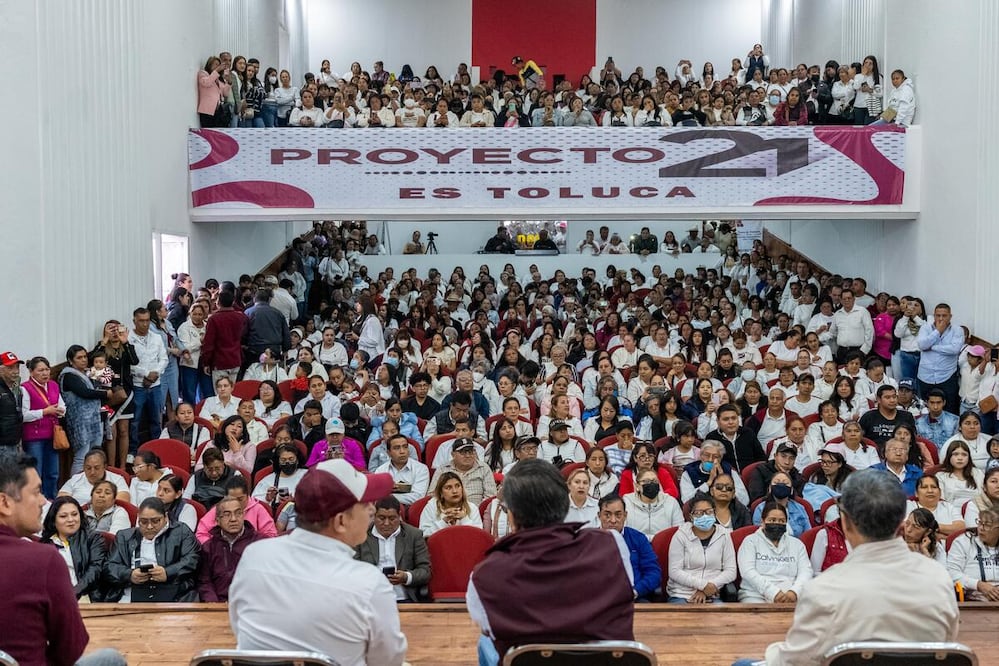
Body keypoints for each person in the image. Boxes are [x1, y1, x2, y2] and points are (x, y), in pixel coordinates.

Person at [738, 469, 959, 664]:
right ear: (901, 522)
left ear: (846, 522)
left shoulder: (826, 588)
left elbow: (795, 660)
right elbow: (945, 645)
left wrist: (771, 654)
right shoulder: (938, 578)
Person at [229, 459, 408, 664]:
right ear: (341, 521)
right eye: (365, 503)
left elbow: (240, 629)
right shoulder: (369, 584)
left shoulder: (254, 556)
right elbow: (387, 661)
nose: (372, 510)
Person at [468, 460, 635, 666]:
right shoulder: (613, 545)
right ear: (565, 506)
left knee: (485, 642)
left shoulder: (484, 577)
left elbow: (487, 626)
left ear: (511, 515)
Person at [0, 455, 126, 665]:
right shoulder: (43, 559)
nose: (43, 501)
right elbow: (70, 651)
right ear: (5, 502)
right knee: (110, 659)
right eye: (37, 492)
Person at [104, 497, 200, 602]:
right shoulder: (124, 536)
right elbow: (110, 567)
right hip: (133, 590)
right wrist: (129, 575)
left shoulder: (181, 531)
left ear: (166, 517)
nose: (149, 526)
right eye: (143, 522)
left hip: (172, 590)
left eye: (155, 521)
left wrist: (168, 572)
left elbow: (193, 559)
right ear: (138, 519)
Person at [355, 496, 433, 602]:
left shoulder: (413, 535)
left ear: (399, 516)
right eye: (381, 518)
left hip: (404, 598)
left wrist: (406, 577)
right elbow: (352, 569)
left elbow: (425, 571)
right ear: (374, 516)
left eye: (392, 519)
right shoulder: (361, 535)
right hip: (369, 598)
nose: (386, 523)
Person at [737, 501, 813, 603]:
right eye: (772, 520)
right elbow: (747, 572)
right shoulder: (750, 541)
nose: (777, 523)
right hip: (755, 595)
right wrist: (773, 592)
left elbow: (806, 572)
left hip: (790, 596)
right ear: (762, 522)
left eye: (781, 521)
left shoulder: (797, 544)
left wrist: (794, 592)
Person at [667, 494, 737, 603]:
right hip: (682, 594)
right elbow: (674, 571)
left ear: (714, 512)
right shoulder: (680, 536)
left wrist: (709, 587)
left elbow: (731, 571)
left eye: (709, 512)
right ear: (691, 516)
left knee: (721, 619)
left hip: (712, 594)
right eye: (699, 513)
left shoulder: (724, 535)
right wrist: (703, 586)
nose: (704, 516)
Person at [41, 496, 107, 601]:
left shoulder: (93, 538)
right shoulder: (45, 544)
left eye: (74, 514)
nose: (71, 520)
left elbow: (95, 569)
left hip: (84, 594)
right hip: (53, 597)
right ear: (53, 520)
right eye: (63, 516)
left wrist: (74, 592)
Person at [196, 495, 262, 602]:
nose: (233, 519)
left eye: (238, 513)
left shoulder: (260, 543)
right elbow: (205, 582)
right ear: (217, 520)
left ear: (244, 515)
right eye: (227, 515)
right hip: (218, 606)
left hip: (252, 605)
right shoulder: (209, 547)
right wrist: (214, 604)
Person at [597, 494, 661, 602]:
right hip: (599, 598)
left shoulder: (638, 539)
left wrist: (635, 591)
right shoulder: (588, 540)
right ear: (599, 515)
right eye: (607, 515)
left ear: (625, 515)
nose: (613, 520)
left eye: (618, 515)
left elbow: (654, 573)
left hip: (634, 598)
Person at [60, 345, 112, 475]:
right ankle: (76, 486)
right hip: (80, 423)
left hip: (94, 419)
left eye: (85, 357)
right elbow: (84, 392)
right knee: (81, 457)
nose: (84, 360)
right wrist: (105, 394)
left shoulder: (89, 373)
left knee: (95, 455)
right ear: (71, 361)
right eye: (79, 358)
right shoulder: (68, 375)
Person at [20, 356, 67, 498]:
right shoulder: (25, 388)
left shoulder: (53, 385)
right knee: (36, 472)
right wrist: (45, 412)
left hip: (53, 435)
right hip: (34, 438)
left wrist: (60, 411)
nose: (45, 373)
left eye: (47, 369)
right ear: (31, 372)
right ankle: (36, 502)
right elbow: (23, 414)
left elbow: (62, 405)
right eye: (40, 370)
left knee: (53, 472)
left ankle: (51, 500)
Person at [195, 475, 277, 544]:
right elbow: (201, 534)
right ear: (225, 497)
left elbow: (271, 536)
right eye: (232, 499)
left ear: (248, 495)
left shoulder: (258, 509)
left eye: (240, 499)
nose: (236, 502)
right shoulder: (218, 509)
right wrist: (216, 547)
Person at [917, 303, 964, 415]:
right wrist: (938, 331)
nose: (941, 318)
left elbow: (955, 349)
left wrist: (932, 347)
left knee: (950, 409)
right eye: (938, 315)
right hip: (925, 376)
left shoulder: (957, 330)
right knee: (925, 409)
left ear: (950, 316)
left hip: (947, 376)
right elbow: (922, 345)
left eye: (944, 315)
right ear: (934, 316)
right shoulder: (926, 328)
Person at [948, 507, 999, 601]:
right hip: (973, 601)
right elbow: (951, 573)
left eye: (987, 525)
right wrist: (978, 585)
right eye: (980, 522)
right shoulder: (963, 542)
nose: (981, 528)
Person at [419, 471, 483, 536]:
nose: (455, 491)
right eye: (448, 488)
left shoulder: (472, 508)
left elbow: (478, 536)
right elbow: (424, 534)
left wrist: (464, 519)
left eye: (457, 486)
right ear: (441, 492)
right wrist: (444, 522)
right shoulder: (432, 506)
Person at [58, 449, 130, 504]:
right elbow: (61, 501)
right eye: (88, 468)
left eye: (96, 468)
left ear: (105, 467)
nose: (92, 472)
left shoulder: (117, 480)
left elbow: (122, 502)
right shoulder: (75, 479)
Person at [0, 351, 24, 461]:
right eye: (10, 368)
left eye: (17, 367)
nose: (15, 371)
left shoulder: (16, 388)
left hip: (14, 442)